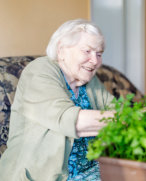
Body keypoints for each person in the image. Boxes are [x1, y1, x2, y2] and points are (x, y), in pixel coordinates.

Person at [0, 19, 115, 181]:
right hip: (40, 177)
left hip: (91, 171)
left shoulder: (88, 80)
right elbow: (72, 121)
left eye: (99, 54)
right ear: (62, 50)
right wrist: (128, 119)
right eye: (87, 51)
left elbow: (118, 109)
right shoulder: (40, 71)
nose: (95, 61)